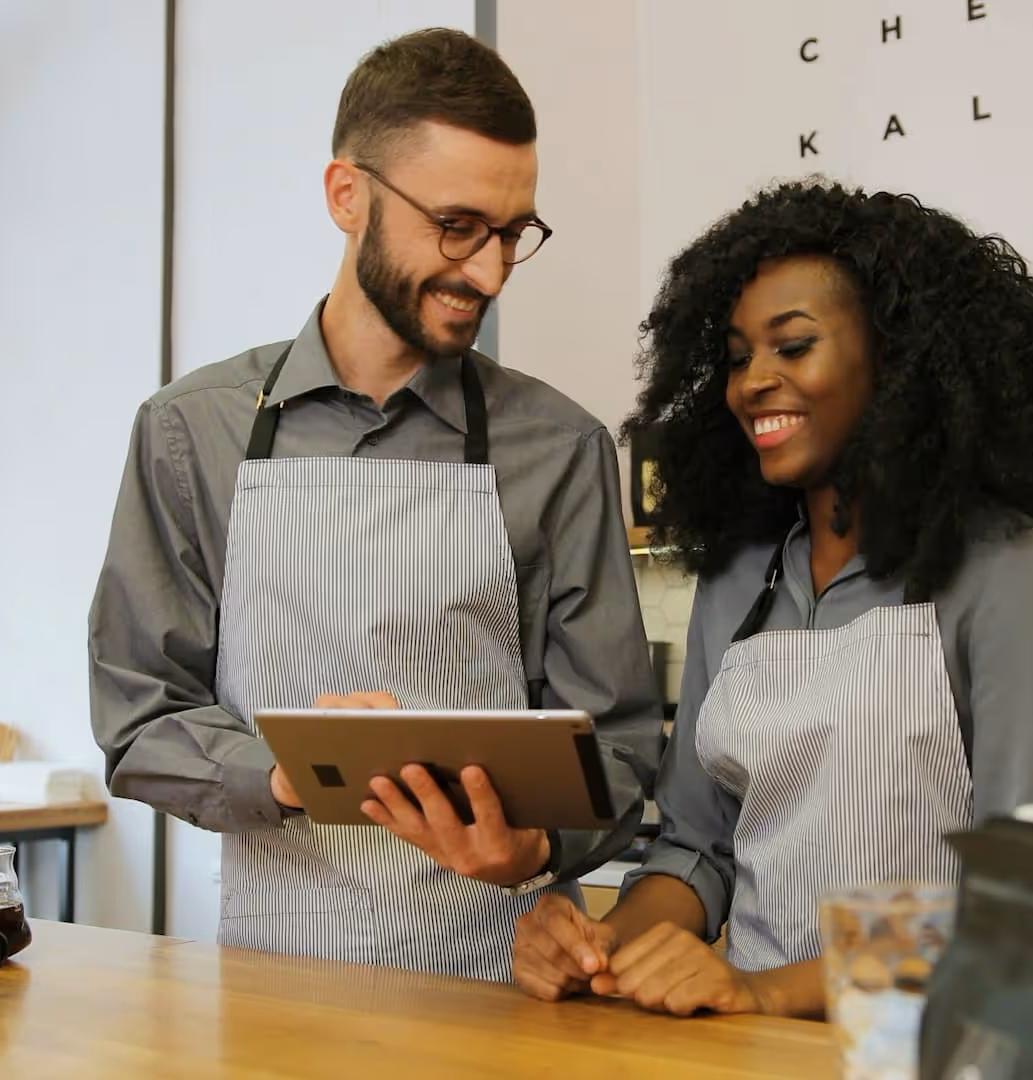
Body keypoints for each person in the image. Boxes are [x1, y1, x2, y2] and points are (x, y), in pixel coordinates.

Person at [88, 29, 661, 982]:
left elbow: (624, 748)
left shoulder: (559, 449)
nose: (490, 271)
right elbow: (140, 718)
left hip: (505, 983)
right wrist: (289, 772)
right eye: (458, 225)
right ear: (347, 196)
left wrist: (537, 848)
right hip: (275, 980)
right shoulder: (193, 433)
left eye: (513, 232)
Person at [511, 180, 1033, 1016]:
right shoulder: (739, 582)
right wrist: (607, 947)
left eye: (792, 347)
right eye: (735, 356)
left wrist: (765, 993)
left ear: (897, 362)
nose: (753, 381)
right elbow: (697, 849)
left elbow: (1030, 903)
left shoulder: (1012, 576)